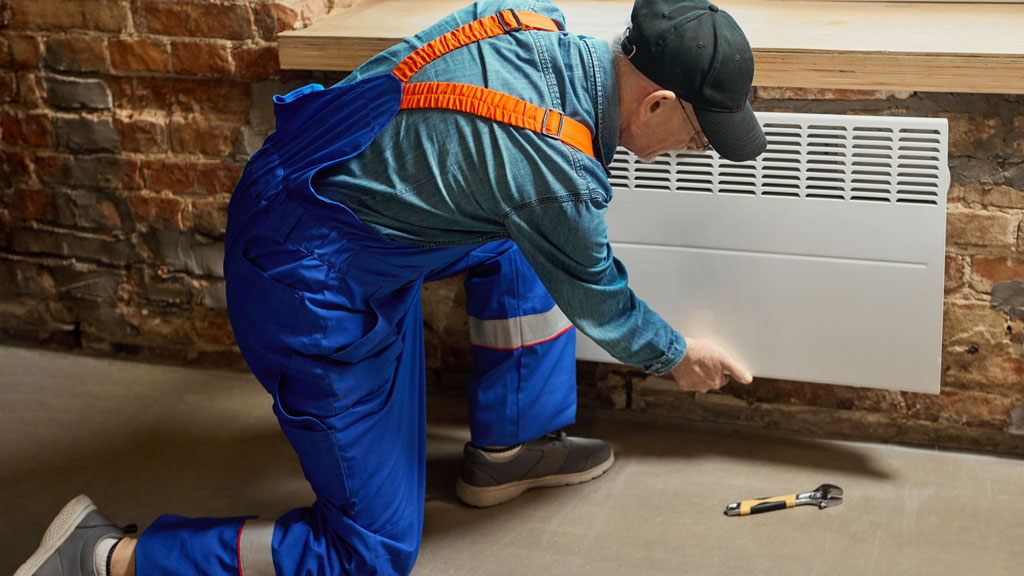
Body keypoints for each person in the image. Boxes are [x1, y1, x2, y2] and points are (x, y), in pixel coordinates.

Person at [16, 0, 764, 574]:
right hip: (303, 280)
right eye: (698, 138)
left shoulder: (524, 21)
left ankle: (513, 447)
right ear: (657, 102)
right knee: (369, 554)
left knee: (517, 242)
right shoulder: (556, 175)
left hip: (314, 197)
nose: (690, 152)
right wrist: (674, 355)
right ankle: (103, 554)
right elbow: (601, 296)